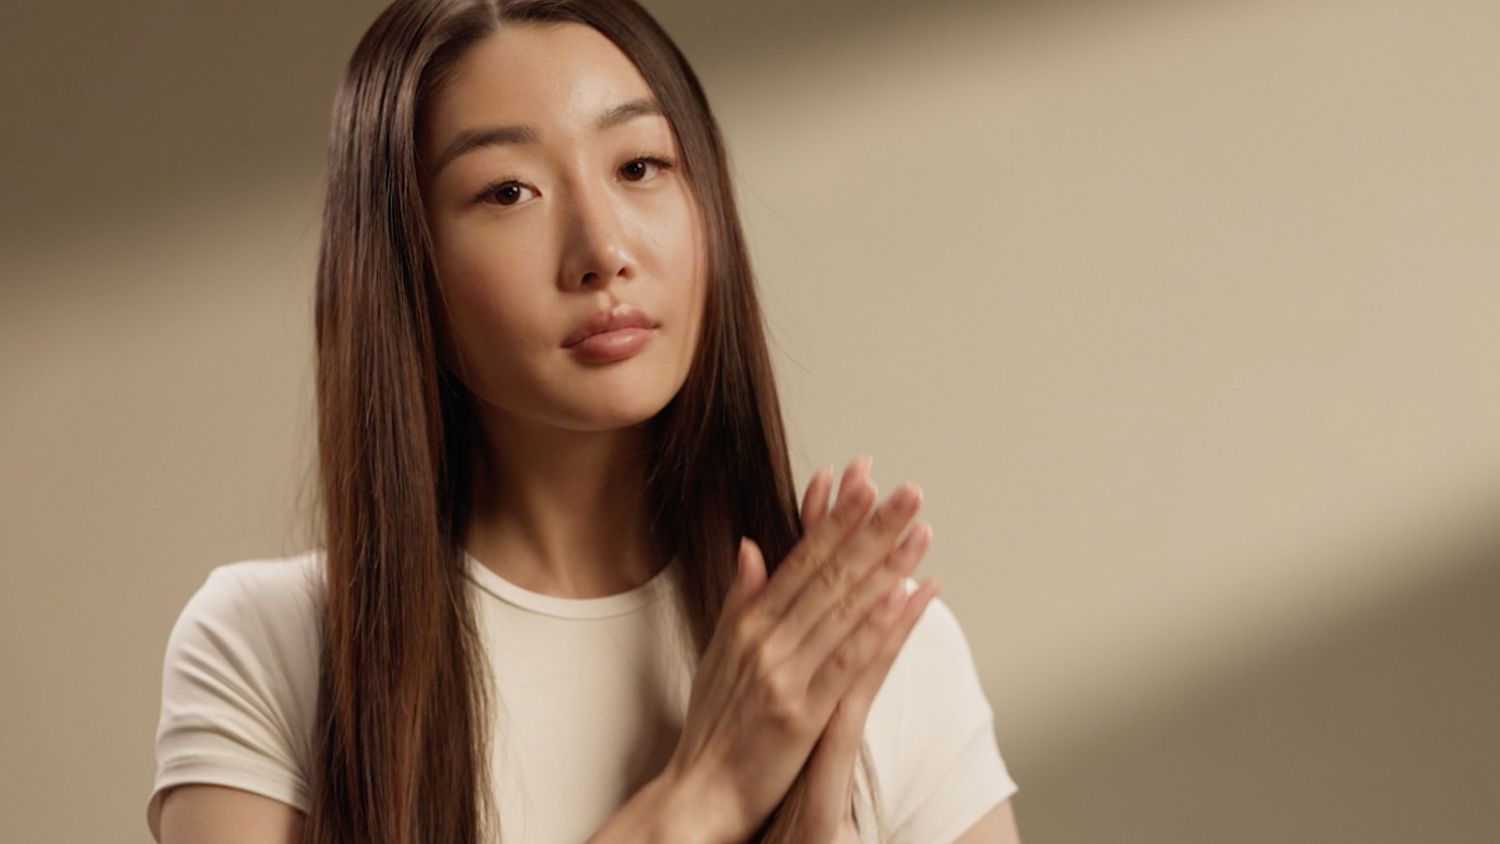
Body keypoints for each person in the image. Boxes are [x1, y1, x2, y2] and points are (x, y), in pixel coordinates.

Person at [145, 1, 1021, 841]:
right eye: (509, 190)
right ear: (405, 266)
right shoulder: (272, 647)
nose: (604, 250)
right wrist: (695, 803)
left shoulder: (873, 648)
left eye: (639, 167)